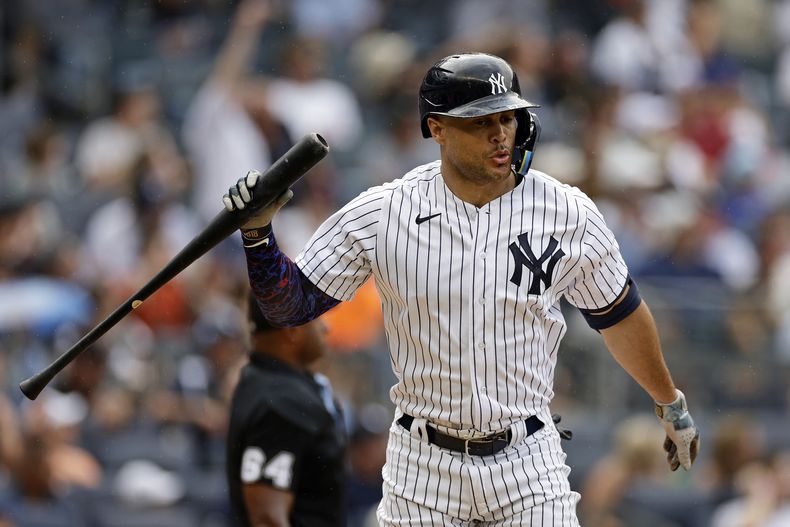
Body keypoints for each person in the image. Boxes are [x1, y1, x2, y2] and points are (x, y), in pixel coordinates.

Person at [224, 52, 700, 525]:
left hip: (528, 458)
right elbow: (289, 309)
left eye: (507, 118)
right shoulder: (384, 212)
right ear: (437, 128)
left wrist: (670, 403)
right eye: (480, 122)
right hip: (422, 464)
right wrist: (258, 237)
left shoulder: (567, 212)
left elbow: (619, 314)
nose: (500, 134)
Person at [226, 294, 346, 526]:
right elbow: (267, 519)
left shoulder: (272, 381)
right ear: (292, 330)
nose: (326, 328)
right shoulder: (280, 402)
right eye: (317, 319)